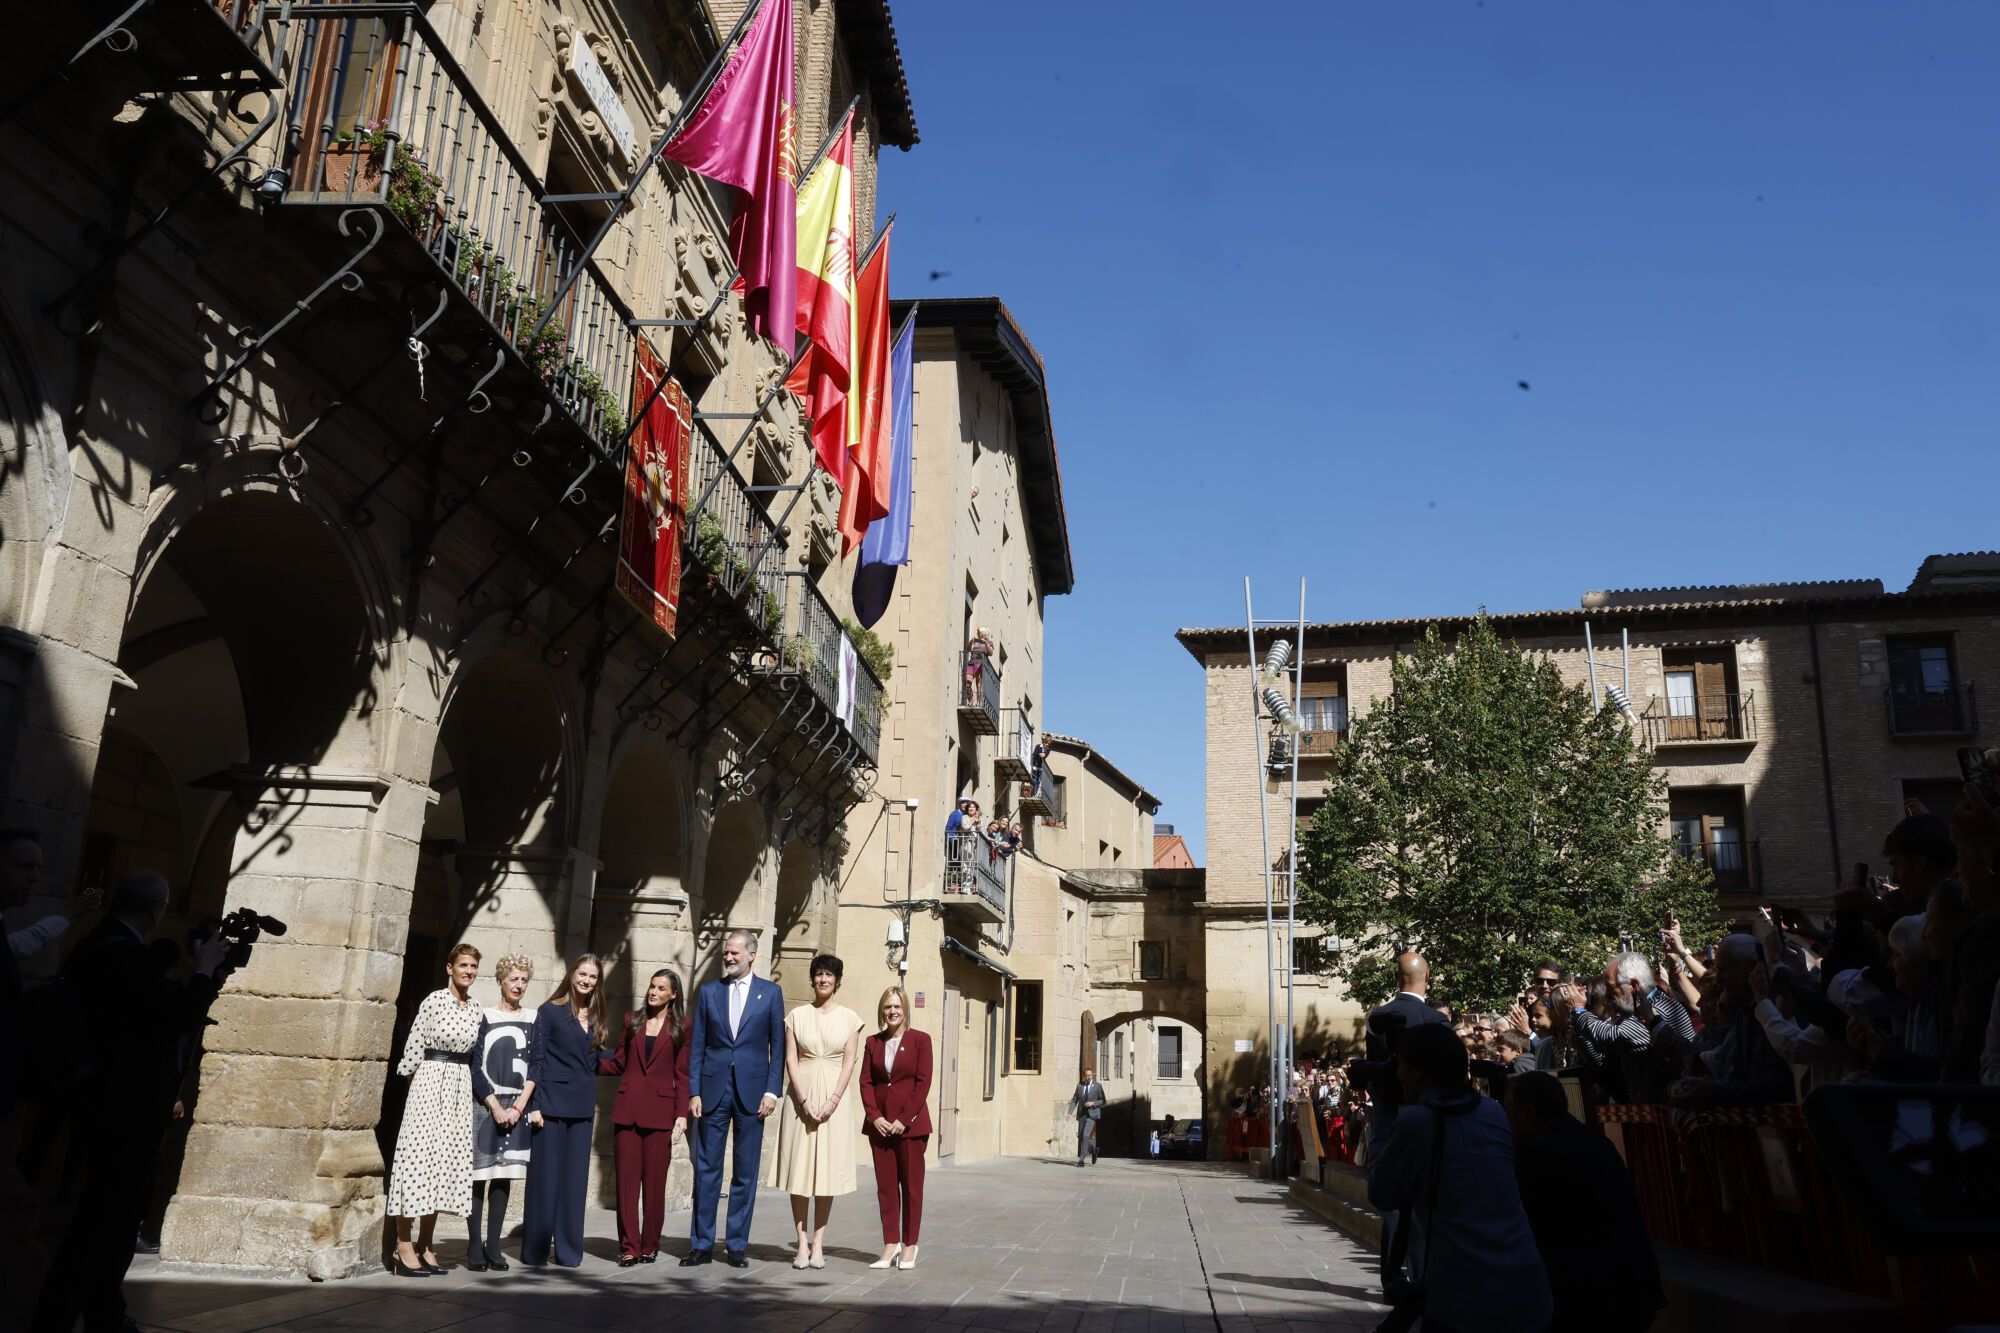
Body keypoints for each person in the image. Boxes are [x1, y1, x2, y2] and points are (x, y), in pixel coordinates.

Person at [30, 873, 230, 1333]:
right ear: (157, 908)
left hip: (108, 1099)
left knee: (108, 1217)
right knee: (105, 1219)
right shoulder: (122, 953)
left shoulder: (99, 944)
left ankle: (104, 1310)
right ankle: (60, 1316)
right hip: (124, 1105)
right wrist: (202, 971)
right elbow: (173, 1016)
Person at [1366, 1023, 1552, 1333]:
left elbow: (1382, 1193)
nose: (1397, 1075)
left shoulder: (1417, 1123)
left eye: (1401, 1066)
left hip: (1464, 1301)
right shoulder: (1493, 1113)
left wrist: (1384, 1117)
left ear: (1418, 1070)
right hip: (1525, 1289)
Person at [1506, 1071, 1663, 1333]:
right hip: (1632, 1288)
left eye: (1508, 1110)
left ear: (1527, 1113)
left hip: (1588, 1299)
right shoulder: (1596, 1142)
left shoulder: (1536, 1155)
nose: (1505, 1118)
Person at [684, 929, 785, 1268]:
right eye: (726, 952)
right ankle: (701, 1244)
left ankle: (737, 1244)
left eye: (734, 953)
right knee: (707, 1169)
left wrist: (772, 1090)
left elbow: (777, 1047)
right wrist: (694, 1091)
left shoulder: (770, 994)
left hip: (753, 1093)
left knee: (745, 1172)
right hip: (712, 1092)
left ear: (752, 955)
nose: (728, 957)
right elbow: (697, 1045)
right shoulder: (710, 991)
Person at [384, 942, 484, 1277]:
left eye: (472, 967)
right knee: (418, 1160)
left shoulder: (476, 1008)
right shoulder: (434, 1001)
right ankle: (402, 1244)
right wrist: (416, 1091)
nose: (468, 971)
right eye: (463, 966)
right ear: (450, 968)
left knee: (444, 1163)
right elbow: (414, 1046)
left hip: (459, 1085)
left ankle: (427, 1244)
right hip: (429, 1081)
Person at [766, 953, 863, 1269]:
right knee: (801, 1171)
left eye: (829, 975)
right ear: (812, 979)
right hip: (801, 1098)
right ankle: (801, 1245)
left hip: (834, 1100)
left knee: (825, 1173)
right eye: (818, 974)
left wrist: (833, 1100)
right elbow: (790, 1059)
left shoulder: (850, 1018)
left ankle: (819, 1243)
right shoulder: (797, 1015)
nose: (823, 979)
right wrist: (804, 1100)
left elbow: (849, 1060)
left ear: (837, 980)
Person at [521, 954, 609, 1267]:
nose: (587, 981)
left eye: (593, 977)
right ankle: (535, 1250)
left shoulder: (597, 1014)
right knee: (544, 1180)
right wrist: (535, 1106)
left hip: (582, 1107)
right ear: (572, 974)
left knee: (574, 1183)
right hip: (551, 1105)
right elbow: (537, 1059)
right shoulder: (550, 1010)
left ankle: (569, 1251)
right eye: (583, 974)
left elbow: (598, 1059)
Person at [598, 968, 691, 1267]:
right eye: (652, 986)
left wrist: (682, 1114)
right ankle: (628, 1247)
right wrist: (584, 1061)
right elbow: (618, 1063)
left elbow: (683, 1074)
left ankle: (650, 1244)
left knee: (654, 1186)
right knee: (626, 1186)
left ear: (673, 995)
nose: (654, 992)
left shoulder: (682, 1027)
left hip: (661, 1115)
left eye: (661, 988)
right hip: (627, 1112)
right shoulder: (632, 1020)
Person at [467, 953, 536, 1272]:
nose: (518, 985)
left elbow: (537, 1065)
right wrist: (494, 1105)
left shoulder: (534, 1018)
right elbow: (475, 1064)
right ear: (500, 981)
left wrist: (521, 1106)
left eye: (523, 979)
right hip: (485, 1105)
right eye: (513, 979)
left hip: (517, 1107)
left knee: (503, 1175)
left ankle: (494, 1246)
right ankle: (473, 1245)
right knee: (479, 1174)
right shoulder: (483, 1015)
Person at [859, 985, 932, 1269]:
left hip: (910, 1127)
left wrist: (904, 1119)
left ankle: (910, 1244)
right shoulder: (872, 1042)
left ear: (905, 1011)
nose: (892, 1011)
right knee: (886, 1187)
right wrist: (874, 1116)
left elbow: (922, 1083)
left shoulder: (920, 1041)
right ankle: (891, 1244)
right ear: (882, 1010)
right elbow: (866, 1082)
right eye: (888, 1007)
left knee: (912, 1186)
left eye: (897, 1007)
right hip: (880, 1126)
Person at [1068, 1067, 1105, 1166]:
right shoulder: (1079, 1086)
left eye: (1090, 1075)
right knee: (1081, 1136)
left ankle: (1081, 1160)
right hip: (1082, 1114)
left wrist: (1093, 1103)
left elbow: (1103, 1101)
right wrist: (1069, 1113)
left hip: (1092, 1115)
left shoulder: (1097, 1086)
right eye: (1087, 1075)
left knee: (1085, 1135)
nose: (1088, 1077)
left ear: (1092, 1075)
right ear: (1084, 1076)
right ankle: (1093, 1149)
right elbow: (1074, 1100)